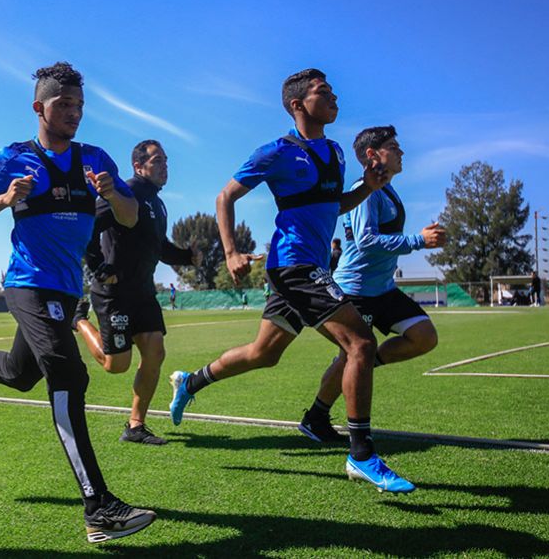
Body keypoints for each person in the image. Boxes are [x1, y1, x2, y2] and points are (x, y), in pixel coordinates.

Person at [0, 62, 155, 543]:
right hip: (28, 283)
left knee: (20, 373)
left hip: (66, 289)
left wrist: (111, 192)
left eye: (80, 105)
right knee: (69, 374)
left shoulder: (95, 159)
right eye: (64, 104)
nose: (74, 113)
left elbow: (128, 217)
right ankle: (98, 507)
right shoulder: (13, 157)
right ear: (39, 107)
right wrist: (3, 199)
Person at [167, 69, 414, 493]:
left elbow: (332, 206)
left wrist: (368, 188)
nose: (335, 96)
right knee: (360, 343)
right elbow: (225, 196)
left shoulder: (335, 152)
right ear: (298, 105)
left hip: (307, 266)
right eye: (324, 92)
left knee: (264, 354)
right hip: (294, 266)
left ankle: (191, 382)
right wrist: (230, 252)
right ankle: (361, 454)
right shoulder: (277, 151)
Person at [300, 125, 446, 444]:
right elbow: (366, 241)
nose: (401, 152)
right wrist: (418, 241)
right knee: (348, 358)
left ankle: (364, 363)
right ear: (372, 155)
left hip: (383, 290)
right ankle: (316, 418)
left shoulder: (388, 190)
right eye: (393, 147)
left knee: (424, 337)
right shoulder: (365, 191)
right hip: (356, 292)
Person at [74, 139, 199, 445]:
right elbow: (87, 228)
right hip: (113, 292)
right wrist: (99, 268)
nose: (164, 166)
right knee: (116, 365)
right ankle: (78, 320)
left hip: (143, 292)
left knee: (155, 351)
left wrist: (186, 256)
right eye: (157, 161)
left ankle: (135, 426)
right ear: (138, 166)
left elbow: (158, 246)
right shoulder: (125, 192)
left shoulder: (157, 202)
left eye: (166, 161)